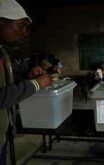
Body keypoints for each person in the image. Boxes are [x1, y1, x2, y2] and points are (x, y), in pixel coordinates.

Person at [0, 0, 52, 164]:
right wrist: (36, 84)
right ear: (0, 22)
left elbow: (5, 87)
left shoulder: (2, 52)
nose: (25, 33)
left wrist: (27, 79)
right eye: (19, 26)